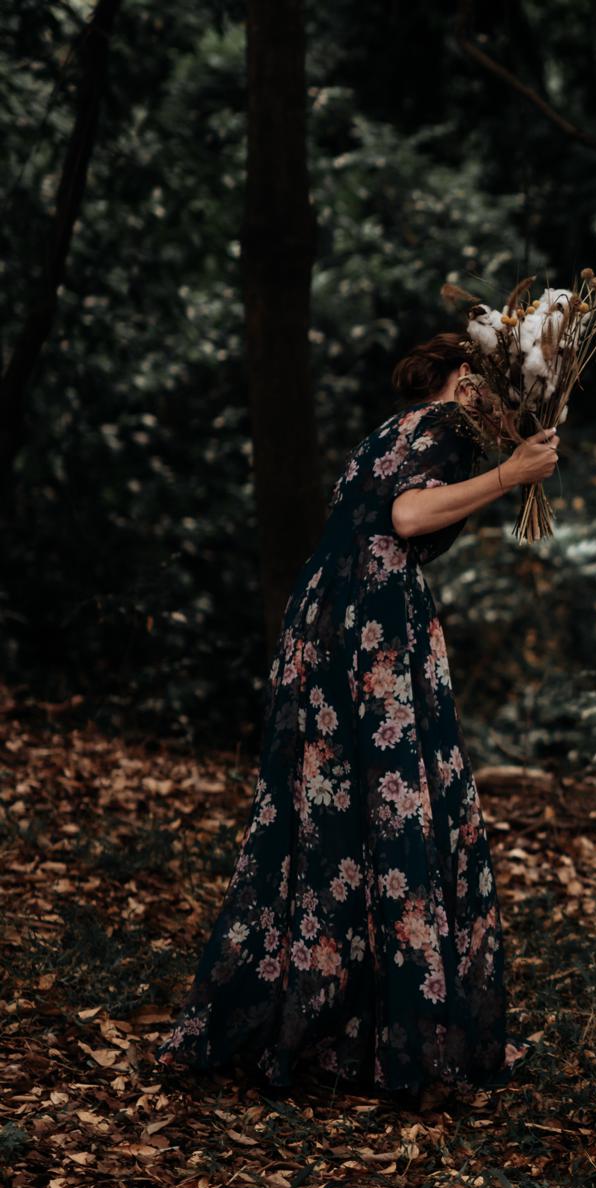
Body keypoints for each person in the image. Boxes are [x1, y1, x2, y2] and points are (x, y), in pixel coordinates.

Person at [157, 333, 558, 1096]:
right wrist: (512, 474)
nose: (504, 407)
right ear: (467, 376)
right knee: (396, 810)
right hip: (371, 630)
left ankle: (329, 1021)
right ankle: (384, 1035)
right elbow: (406, 517)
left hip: (326, 619)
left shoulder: (394, 427)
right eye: (500, 389)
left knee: (327, 817)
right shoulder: (440, 429)